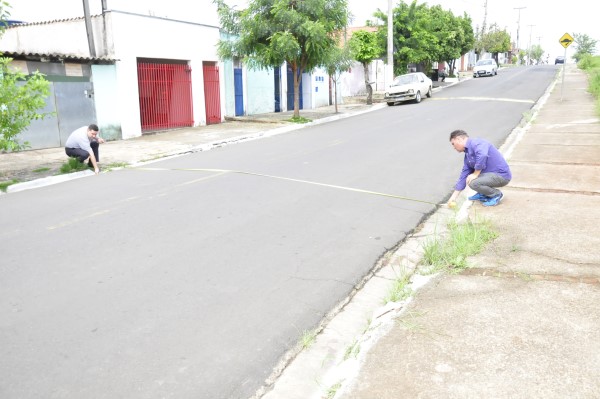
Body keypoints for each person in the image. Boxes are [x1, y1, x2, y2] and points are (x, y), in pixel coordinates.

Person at [447, 129, 512, 207]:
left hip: (501, 176)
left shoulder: (477, 143)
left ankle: (496, 194)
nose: (453, 147)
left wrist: (476, 173)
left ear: (459, 139)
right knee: (469, 178)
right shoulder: (468, 155)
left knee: (473, 182)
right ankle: (484, 193)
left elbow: (482, 155)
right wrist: (453, 198)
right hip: (491, 176)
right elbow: (463, 176)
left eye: (453, 144)